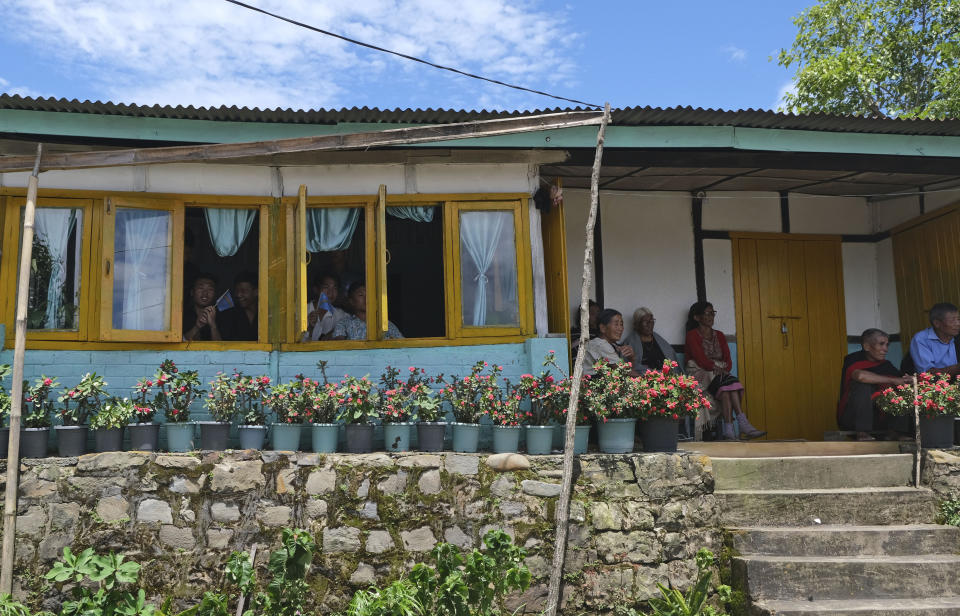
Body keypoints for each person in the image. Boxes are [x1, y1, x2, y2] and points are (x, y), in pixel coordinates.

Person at [684, 301, 764, 440]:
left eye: (712, 313)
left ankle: (730, 429)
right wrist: (717, 368)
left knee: (728, 389)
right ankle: (741, 424)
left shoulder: (719, 335)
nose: (711, 317)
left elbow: (728, 359)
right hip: (701, 373)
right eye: (707, 313)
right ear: (697, 318)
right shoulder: (692, 335)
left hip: (718, 373)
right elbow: (700, 359)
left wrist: (724, 369)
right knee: (729, 385)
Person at [838, 328, 911, 441]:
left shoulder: (886, 365)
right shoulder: (853, 360)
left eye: (887, 345)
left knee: (902, 388)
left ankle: (896, 431)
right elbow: (860, 376)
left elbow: (900, 380)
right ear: (867, 346)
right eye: (881, 344)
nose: (885, 349)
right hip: (853, 418)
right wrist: (892, 380)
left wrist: (908, 380)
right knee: (862, 385)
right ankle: (862, 433)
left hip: (879, 419)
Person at [332, 281, 403, 340]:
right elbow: (339, 345)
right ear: (351, 301)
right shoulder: (344, 323)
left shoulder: (385, 324)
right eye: (361, 295)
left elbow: (402, 344)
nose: (366, 298)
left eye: (369, 295)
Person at [622, 307, 681, 373]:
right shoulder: (630, 342)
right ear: (637, 324)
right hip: (644, 378)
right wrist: (654, 374)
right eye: (645, 322)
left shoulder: (659, 340)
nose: (649, 324)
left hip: (665, 376)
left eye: (651, 321)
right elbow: (631, 367)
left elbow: (672, 359)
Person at [583, 309, 638, 377]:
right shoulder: (600, 344)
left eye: (621, 324)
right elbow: (624, 371)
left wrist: (631, 358)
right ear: (603, 328)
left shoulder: (612, 345)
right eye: (616, 324)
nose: (620, 328)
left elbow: (627, 371)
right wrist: (645, 380)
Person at [909, 302, 960, 375]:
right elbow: (927, 374)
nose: (958, 324)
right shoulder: (921, 339)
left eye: (958, 319)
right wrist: (956, 368)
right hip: (934, 385)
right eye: (952, 321)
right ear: (937, 323)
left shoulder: (957, 336)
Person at [302, 272, 349, 341]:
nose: (331, 292)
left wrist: (334, 331)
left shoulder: (340, 315)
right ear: (316, 289)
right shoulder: (302, 312)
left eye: (335, 288)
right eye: (326, 287)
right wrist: (310, 329)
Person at [220, 272, 258, 341]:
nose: (238, 295)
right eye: (237, 291)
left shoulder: (265, 315)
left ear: (256, 292)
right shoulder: (228, 315)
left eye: (243, 291)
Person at [183, 273, 221, 342]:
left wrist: (213, 325)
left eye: (210, 289)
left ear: (215, 294)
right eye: (201, 288)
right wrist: (197, 327)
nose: (205, 293)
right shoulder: (182, 315)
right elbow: (179, 344)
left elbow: (223, 349)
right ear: (192, 292)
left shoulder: (222, 316)